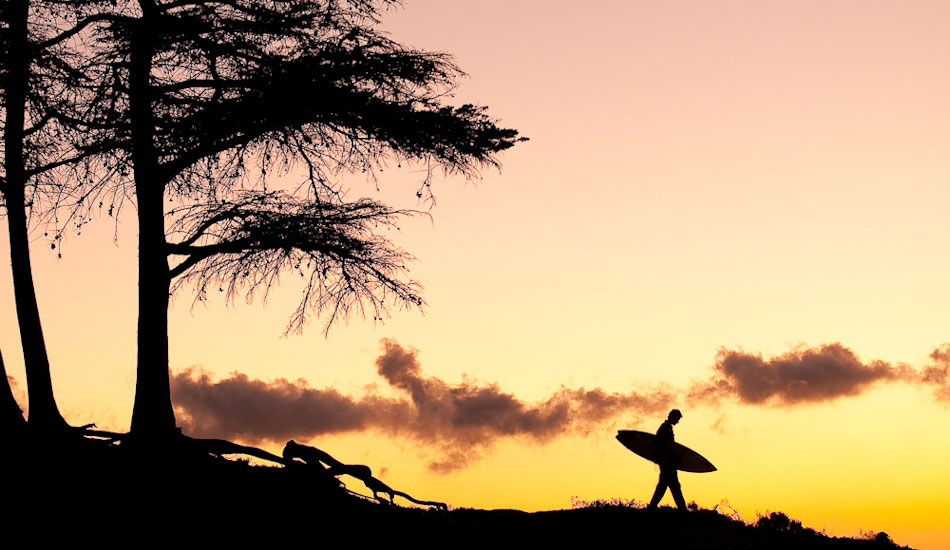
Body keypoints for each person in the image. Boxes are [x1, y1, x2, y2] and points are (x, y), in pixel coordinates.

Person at [648, 409, 687, 510]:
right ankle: (683, 510)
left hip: (668, 463)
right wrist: (663, 460)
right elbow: (660, 446)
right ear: (672, 417)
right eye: (677, 419)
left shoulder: (667, 428)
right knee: (673, 486)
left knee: (665, 486)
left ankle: (652, 507)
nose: (678, 421)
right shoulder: (664, 428)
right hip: (667, 463)